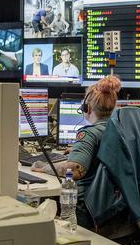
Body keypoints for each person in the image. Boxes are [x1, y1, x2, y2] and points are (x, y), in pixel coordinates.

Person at [32, 76, 122, 225]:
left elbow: (73, 171)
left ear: (88, 108)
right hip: (117, 208)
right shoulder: (122, 130)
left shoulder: (88, 134)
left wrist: (45, 167)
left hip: (88, 211)